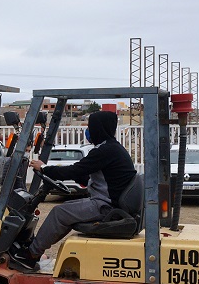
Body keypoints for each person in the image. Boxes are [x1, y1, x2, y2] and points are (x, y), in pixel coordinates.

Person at [7, 110, 136, 271]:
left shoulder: (105, 151)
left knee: (59, 213)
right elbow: (87, 177)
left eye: (90, 126)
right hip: (110, 204)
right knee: (66, 212)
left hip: (106, 206)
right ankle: (35, 250)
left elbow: (75, 170)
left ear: (99, 128)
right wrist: (69, 177)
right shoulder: (113, 149)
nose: (88, 130)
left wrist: (44, 168)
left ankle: (30, 255)